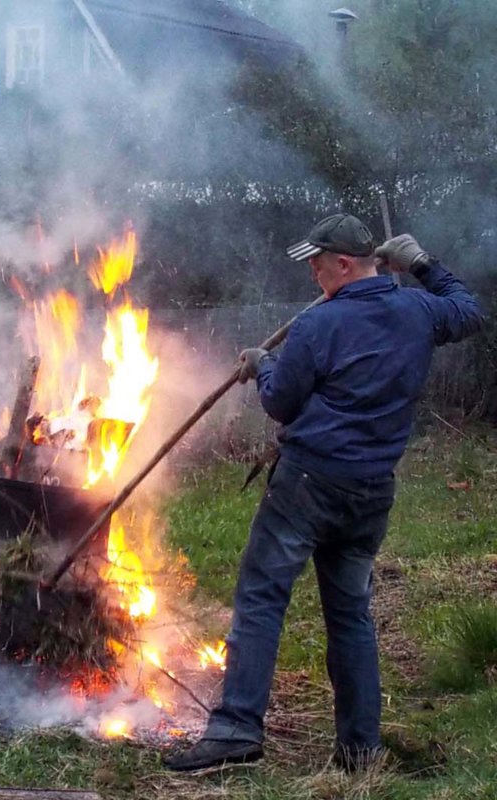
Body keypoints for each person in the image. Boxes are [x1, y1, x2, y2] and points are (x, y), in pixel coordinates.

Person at [164, 213, 483, 772]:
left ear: (344, 263)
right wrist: (423, 265)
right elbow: (470, 311)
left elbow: (281, 403)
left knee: (262, 600)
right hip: (370, 491)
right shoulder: (418, 309)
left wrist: (264, 366)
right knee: (350, 614)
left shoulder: (320, 325)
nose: (312, 272)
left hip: (307, 487)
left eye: (317, 262)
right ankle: (360, 748)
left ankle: (237, 730)